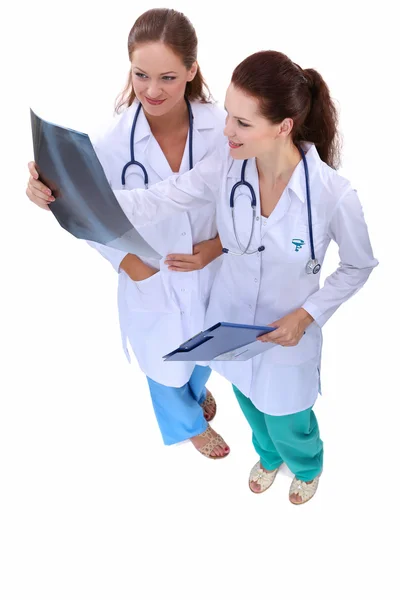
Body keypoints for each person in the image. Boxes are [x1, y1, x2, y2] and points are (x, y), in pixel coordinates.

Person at [104, 50, 377, 504]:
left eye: (242, 124)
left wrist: (307, 315)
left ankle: (306, 465)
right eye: (228, 116)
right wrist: (71, 195)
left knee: (290, 417)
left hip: (287, 334)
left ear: (284, 126)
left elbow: (358, 265)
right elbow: (158, 198)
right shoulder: (229, 167)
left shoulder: (333, 196)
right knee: (250, 405)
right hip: (231, 325)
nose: (226, 131)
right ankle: (269, 458)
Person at [25, 8, 230, 459]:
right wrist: (133, 266)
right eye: (141, 74)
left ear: (192, 70)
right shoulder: (108, 143)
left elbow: (246, 197)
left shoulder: (223, 127)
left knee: (210, 350)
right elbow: (89, 218)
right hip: (150, 276)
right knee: (164, 366)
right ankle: (189, 424)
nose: (152, 91)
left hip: (216, 268)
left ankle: (196, 392)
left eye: (169, 77)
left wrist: (216, 250)